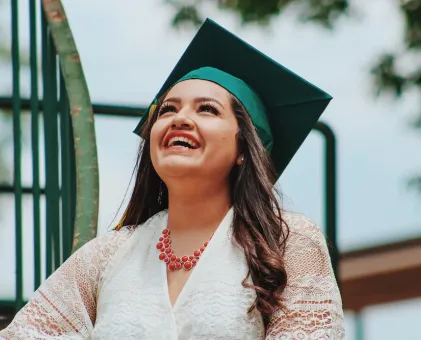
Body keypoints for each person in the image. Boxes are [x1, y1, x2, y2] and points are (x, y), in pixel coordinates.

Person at [0, 19, 344, 339]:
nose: (180, 119)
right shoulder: (107, 256)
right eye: (167, 109)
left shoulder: (287, 243)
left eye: (206, 109)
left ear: (244, 147)